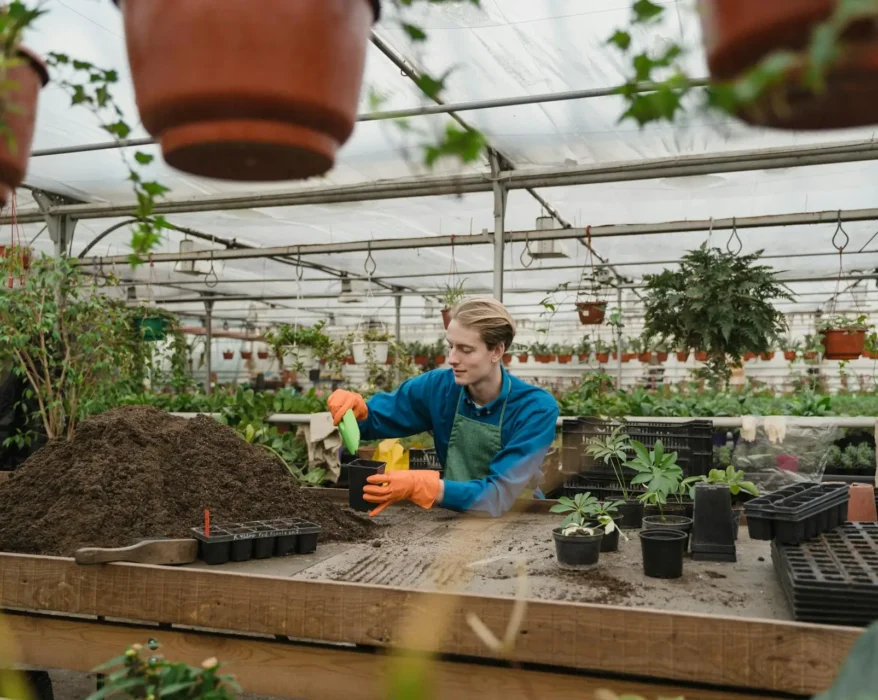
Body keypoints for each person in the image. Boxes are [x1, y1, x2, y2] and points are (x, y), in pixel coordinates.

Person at [328, 298, 559, 517]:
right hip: (455, 516)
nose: (452, 358)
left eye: (466, 350)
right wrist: (355, 411)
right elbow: (374, 422)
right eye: (451, 346)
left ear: (497, 351)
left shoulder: (535, 409)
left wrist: (423, 485)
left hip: (522, 519)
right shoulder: (437, 388)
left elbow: (499, 495)